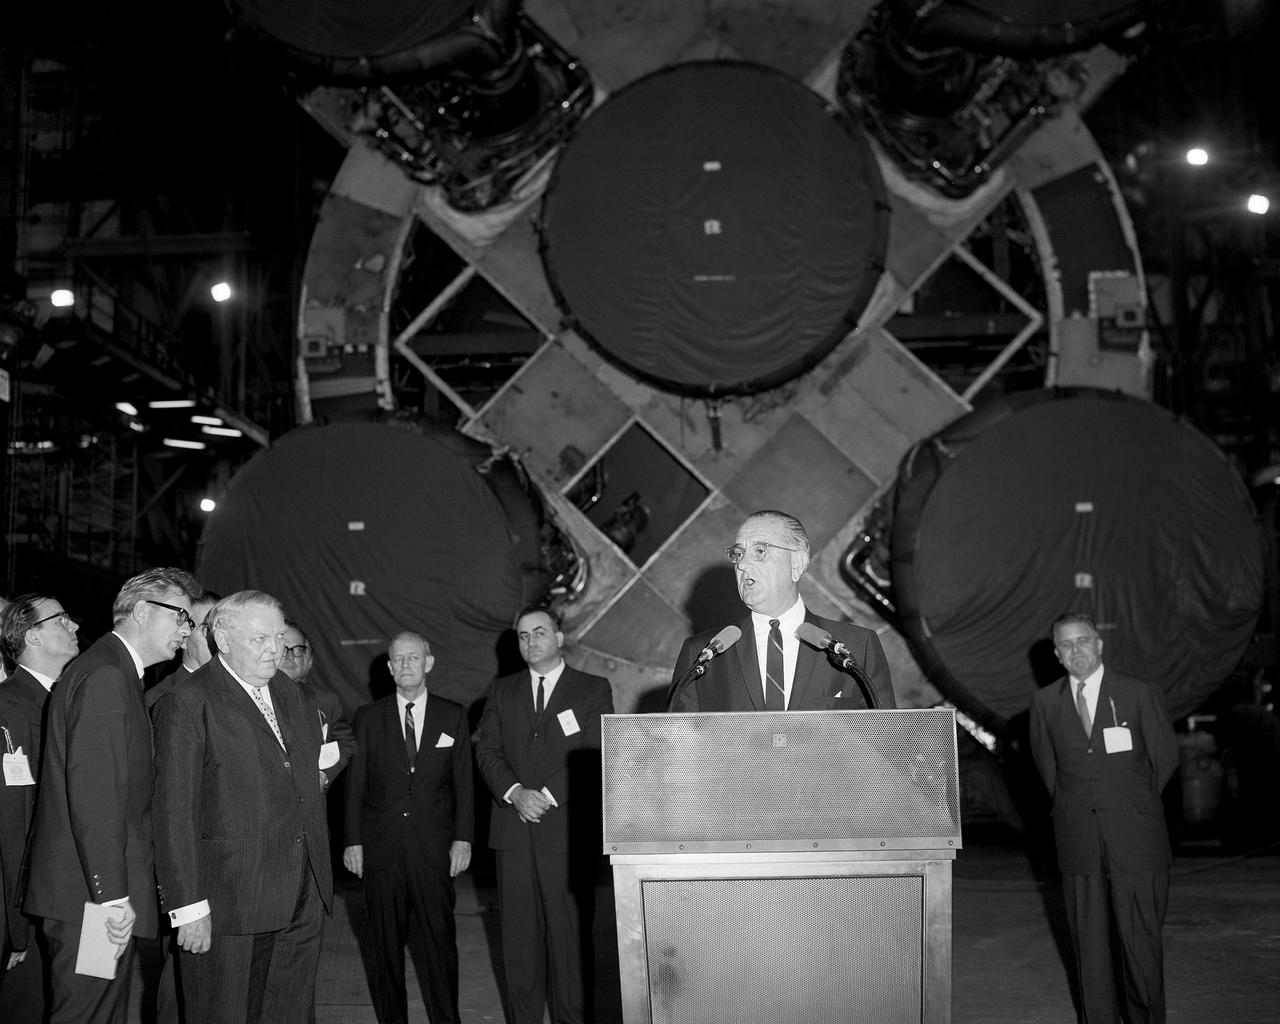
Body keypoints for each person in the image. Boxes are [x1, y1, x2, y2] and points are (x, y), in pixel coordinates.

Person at [24, 567, 200, 1023]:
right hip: (92, 903)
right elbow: (96, 795)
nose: (187, 628)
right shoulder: (106, 675)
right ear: (142, 611)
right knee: (87, 1015)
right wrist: (112, 897)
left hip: (91, 898)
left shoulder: (114, 670)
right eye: (181, 615)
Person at [151, 590, 333, 1024]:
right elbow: (174, 812)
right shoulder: (187, 703)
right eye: (260, 639)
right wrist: (189, 906)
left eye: (278, 637)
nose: (276, 649)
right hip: (230, 901)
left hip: (304, 895)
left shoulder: (294, 696)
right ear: (223, 640)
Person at [1029, 612, 1178, 1024]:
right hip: (1079, 842)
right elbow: (1049, 770)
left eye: (1083, 640)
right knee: (1090, 952)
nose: (1076, 650)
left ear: (1099, 644)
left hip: (1136, 840)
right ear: (1057, 655)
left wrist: (1127, 804)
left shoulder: (1138, 693)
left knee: (1140, 948)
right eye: (1067, 645)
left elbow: (1163, 760)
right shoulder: (1044, 704)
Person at [475, 606, 613, 1024]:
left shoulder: (592, 688)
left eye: (538, 632)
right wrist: (516, 793)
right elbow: (486, 750)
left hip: (566, 837)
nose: (530, 641)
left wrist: (547, 796)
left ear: (559, 637)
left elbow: (597, 748)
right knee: (519, 944)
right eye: (521, 635)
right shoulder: (502, 691)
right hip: (513, 834)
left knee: (569, 944)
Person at [342, 632, 473, 1024]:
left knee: (439, 946)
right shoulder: (368, 717)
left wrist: (463, 838)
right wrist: (353, 842)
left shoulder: (454, 715)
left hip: (433, 852)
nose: (405, 666)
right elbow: (356, 786)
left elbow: (463, 784)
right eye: (398, 660)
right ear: (389, 668)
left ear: (428, 663)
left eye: (413, 658)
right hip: (383, 852)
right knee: (384, 950)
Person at [668, 509, 895, 711]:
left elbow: (885, 745)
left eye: (759, 551)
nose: (742, 565)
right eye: (738, 554)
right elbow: (678, 751)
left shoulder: (856, 648)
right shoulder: (701, 655)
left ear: (796, 563)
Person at [0, 594, 81, 1021]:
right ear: (32, 635)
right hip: (29, 912)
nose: (75, 626)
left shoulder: (64, 700)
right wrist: (16, 931)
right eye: (62, 619)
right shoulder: (11, 708)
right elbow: (14, 824)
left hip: (71, 902)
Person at [279, 621, 356, 792]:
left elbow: (346, 744)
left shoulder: (325, 701)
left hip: (312, 804)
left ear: (307, 659)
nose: (290, 656)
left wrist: (324, 775)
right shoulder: (251, 698)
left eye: (298, 650)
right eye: (284, 648)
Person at [145, 590, 220, 710]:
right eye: (207, 630)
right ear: (184, 639)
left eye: (222, 629)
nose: (218, 639)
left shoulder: (245, 683)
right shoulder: (159, 700)